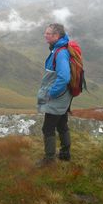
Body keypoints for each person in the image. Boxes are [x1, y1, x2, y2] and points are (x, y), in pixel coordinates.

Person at [36, 23, 73, 167]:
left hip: (57, 97)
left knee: (47, 128)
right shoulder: (58, 49)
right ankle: (65, 154)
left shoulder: (61, 52)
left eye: (48, 33)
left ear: (56, 36)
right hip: (63, 96)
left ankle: (49, 160)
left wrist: (51, 94)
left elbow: (64, 77)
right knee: (62, 123)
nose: (45, 35)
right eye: (45, 33)